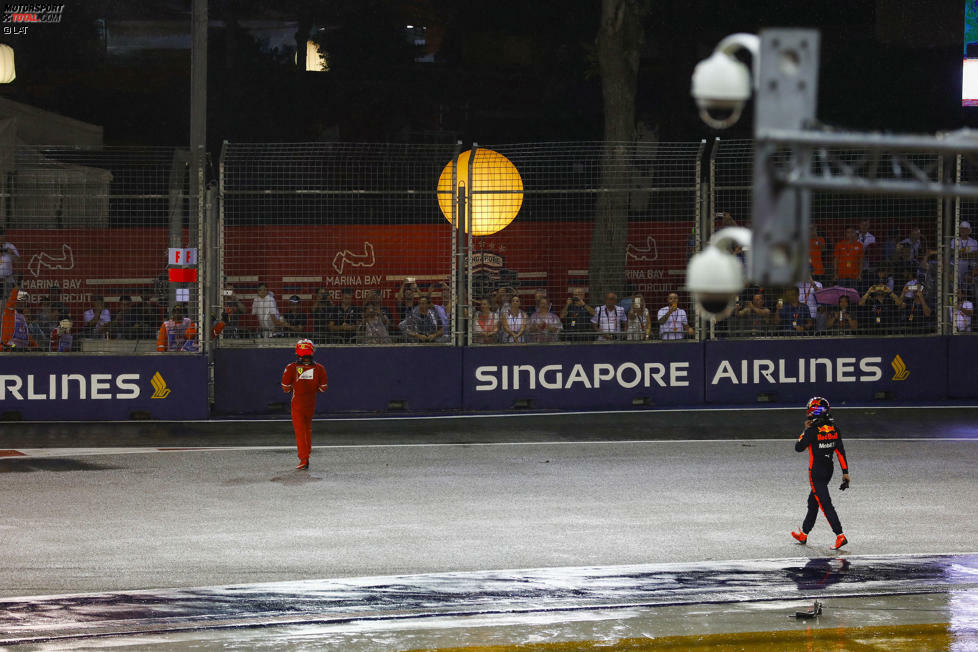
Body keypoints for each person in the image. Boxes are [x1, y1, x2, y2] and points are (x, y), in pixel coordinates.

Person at [791, 397, 850, 551]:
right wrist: (845, 473)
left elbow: (798, 447)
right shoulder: (834, 429)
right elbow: (840, 452)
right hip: (828, 471)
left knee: (825, 504)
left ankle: (840, 535)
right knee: (813, 502)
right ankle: (804, 534)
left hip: (816, 473)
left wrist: (805, 430)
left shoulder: (812, 431)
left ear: (816, 411)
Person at [280, 339, 327, 470]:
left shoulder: (291, 367)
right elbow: (323, 388)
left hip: (297, 404)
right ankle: (307, 453)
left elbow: (285, 387)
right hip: (311, 402)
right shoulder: (320, 368)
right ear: (311, 352)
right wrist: (312, 389)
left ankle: (304, 458)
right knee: (307, 428)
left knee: (300, 431)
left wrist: (295, 387)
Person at [0, 230, 18, 302]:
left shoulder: (10, 246)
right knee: (1, 302)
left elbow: (18, 260)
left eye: (2, 235)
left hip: (8, 278)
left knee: (14, 298)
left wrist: (12, 253)